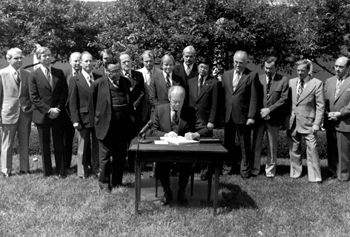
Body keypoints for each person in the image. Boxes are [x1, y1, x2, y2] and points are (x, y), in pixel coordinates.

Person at [150, 86, 210, 206]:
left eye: (180, 102)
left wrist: (195, 134)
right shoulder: (159, 109)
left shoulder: (191, 111)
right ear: (169, 97)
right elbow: (151, 130)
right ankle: (167, 192)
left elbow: (205, 130)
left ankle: (182, 191)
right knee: (161, 165)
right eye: (174, 101)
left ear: (184, 99)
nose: (177, 104)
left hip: (184, 150)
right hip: (165, 150)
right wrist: (165, 134)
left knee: (187, 164)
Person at [90, 58, 135, 193]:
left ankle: (117, 182)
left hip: (122, 127)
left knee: (120, 155)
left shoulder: (126, 82)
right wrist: (95, 124)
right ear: (106, 71)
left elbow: (130, 103)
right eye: (113, 71)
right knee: (104, 157)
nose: (116, 73)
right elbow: (92, 106)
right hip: (105, 127)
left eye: (118, 70)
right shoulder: (98, 84)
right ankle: (104, 184)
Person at [28, 46, 68, 178]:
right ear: (39, 58)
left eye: (49, 55)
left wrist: (57, 109)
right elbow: (34, 97)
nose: (47, 58)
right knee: (44, 144)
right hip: (42, 115)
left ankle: (61, 171)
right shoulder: (33, 75)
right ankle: (47, 172)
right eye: (44, 56)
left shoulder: (59, 73)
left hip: (58, 114)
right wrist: (49, 110)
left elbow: (64, 93)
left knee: (59, 143)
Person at [221, 50, 261, 178]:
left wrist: (251, 116)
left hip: (243, 116)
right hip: (228, 115)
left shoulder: (252, 75)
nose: (238, 65)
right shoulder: (226, 74)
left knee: (244, 144)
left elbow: (254, 98)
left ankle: (245, 170)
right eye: (236, 62)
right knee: (228, 144)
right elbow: (224, 96)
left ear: (246, 62)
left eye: (241, 63)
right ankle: (227, 168)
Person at [286, 59, 324, 183]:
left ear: (308, 70)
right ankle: (296, 172)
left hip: (309, 123)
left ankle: (315, 176)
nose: (300, 72)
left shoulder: (317, 83)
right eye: (298, 70)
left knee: (312, 149)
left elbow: (320, 105)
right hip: (293, 122)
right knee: (294, 149)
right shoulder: (291, 82)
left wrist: (317, 123)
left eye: (302, 70)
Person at [252, 56, 288, 177]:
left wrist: (269, 110)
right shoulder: (259, 78)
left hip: (274, 119)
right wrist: (261, 112)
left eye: (270, 68)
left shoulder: (283, 80)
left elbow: (283, 99)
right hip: (259, 118)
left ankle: (270, 171)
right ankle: (255, 169)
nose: (267, 70)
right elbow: (254, 97)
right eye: (266, 68)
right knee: (256, 145)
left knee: (272, 146)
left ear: (276, 68)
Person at [0, 48, 33, 177]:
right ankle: (6, 170)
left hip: (25, 113)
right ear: (8, 59)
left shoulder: (27, 74)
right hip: (8, 113)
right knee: (7, 143)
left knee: (24, 142)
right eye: (16, 58)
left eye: (21, 58)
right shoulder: (2, 74)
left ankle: (25, 169)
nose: (20, 60)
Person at [69, 51, 101, 178]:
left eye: (90, 60)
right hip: (83, 119)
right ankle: (81, 172)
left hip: (97, 119)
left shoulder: (99, 78)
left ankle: (97, 169)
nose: (88, 63)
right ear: (81, 63)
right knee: (82, 147)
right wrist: (75, 120)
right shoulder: (74, 79)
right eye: (86, 61)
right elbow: (72, 102)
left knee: (97, 146)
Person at [187, 57, 221, 180]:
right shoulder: (190, 81)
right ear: (198, 67)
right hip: (191, 118)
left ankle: (205, 172)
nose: (203, 69)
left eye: (205, 68)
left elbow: (215, 104)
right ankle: (191, 168)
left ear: (209, 69)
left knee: (205, 145)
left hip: (206, 119)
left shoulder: (214, 83)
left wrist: (212, 121)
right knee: (191, 143)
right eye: (201, 67)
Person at [324, 56, 350, 181]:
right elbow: (324, 100)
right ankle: (332, 172)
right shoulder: (329, 81)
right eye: (336, 66)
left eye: (341, 67)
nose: (337, 69)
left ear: (348, 68)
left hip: (345, 121)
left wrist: (340, 113)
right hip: (330, 121)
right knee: (332, 149)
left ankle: (344, 175)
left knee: (344, 151)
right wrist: (326, 113)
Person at [63, 52, 81, 170]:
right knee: (66, 141)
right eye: (75, 60)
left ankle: (84, 164)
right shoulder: (64, 74)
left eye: (79, 60)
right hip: (66, 113)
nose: (77, 63)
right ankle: (66, 165)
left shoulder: (87, 74)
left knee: (83, 141)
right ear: (70, 61)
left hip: (81, 113)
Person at [119, 53, 145, 132]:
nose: (127, 64)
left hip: (135, 111)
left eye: (128, 61)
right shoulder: (118, 75)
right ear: (120, 63)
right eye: (124, 62)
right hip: (123, 111)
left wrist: (136, 104)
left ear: (131, 62)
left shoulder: (138, 75)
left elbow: (142, 92)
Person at [136, 50, 162, 126]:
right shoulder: (137, 73)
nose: (148, 63)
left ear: (154, 60)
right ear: (142, 61)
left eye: (151, 61)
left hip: (155, 108)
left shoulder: (160, 73)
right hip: (142, 109)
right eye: (146, 61)